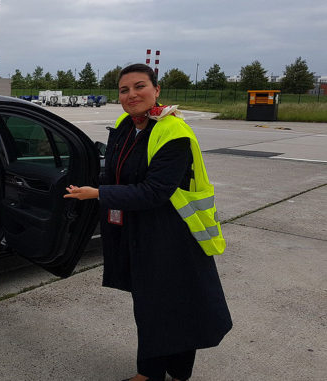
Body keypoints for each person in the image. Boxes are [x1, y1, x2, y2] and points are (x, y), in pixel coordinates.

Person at [64, 64, 232, 381]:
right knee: (161, 303)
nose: (132, 94)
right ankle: (169, 371)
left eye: (139, 86)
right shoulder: (126, 126)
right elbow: (114, 170)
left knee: (166, 305)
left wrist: (99, 194)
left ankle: (156, 373)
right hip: (139, 230)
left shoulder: (174, 132)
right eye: (124, 90)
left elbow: (155, 191)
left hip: (172, 234)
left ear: (157, 90)